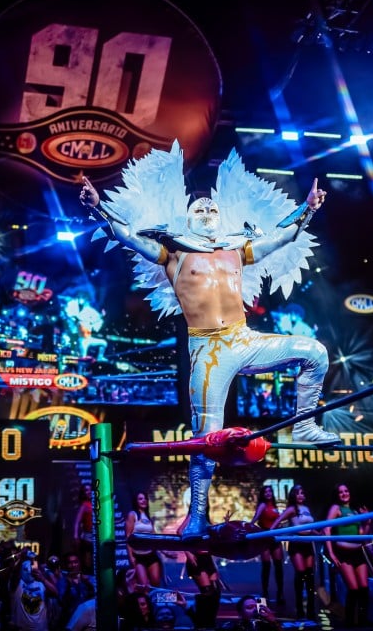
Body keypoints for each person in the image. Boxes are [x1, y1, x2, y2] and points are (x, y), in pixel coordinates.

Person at [80, 142, 341, 540]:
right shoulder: (172, 253)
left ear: (221, 218)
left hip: (243, 338)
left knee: (315, 352)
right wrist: (97, 205)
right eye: (199, 210)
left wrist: (309, 208)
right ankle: (197, 515)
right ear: (187, 218)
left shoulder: (239, 250)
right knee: (207, 438)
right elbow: (128, 235)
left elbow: (284, 238)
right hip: (208, 351)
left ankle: (304, 426)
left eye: (212, 210)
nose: (206, 214)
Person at [323, 484, 372, 627]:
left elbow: (362, 535)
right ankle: (350, 623)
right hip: (343, 553)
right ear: (337, 495)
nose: (344, 494)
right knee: (354, 589)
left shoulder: (355, 511)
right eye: (340, 492)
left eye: (346, 491)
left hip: (357, 551)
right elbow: (327, 529)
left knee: (364, 588)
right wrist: (331, 553)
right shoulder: (336, 508)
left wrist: (367, 521)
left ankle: (363, 621)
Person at [269, 484, 319, 621]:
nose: (301, 495)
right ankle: (299, 610)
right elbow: (278, 521)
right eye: (298, 493)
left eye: (302, 493)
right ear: (293, 495)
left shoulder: (307, 509)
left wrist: (321, 534)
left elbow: (310, 528)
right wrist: (270, 533)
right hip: (297, 544)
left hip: (308, 543)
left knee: (309, 576)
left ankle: (310, 610)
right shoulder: (292, 509)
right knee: (301, 574)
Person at [250, 483, 286, 606]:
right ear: (263, 494)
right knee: (266, 566)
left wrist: (281, 526)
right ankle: (265, 593)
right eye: (266, 492)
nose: (268, 494)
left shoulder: (275, 507)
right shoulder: (262, 505)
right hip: (264, 537)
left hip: (275, 537)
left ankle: (280, 593)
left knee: (278, 566)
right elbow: (255, 518)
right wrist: (248, 528)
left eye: (270, 491)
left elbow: (277, 521)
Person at [124, 490, 164, 589]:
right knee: (144, 586)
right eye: (140, 499)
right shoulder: (132, 515)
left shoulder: (149, 517)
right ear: (136, 501)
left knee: (156, 583)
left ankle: (154, 603)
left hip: (151, 555)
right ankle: (141, 602)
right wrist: (131, 556)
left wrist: (166, 552)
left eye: (145, 498)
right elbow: (128, 537)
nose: (144, 501)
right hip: (138, 557)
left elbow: (155, 539)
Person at [64, 293, 108, 362]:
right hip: (82, 341)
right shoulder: (76, 316)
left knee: (104, 343)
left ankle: (100, 357)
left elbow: (96, 320)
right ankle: (80, 369)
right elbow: (69, 315)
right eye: (80, 298)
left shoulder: (89, 313)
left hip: (89, 339)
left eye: (83, 299)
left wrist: (101, 316)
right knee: (83, 357)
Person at [219, 594, 283, 631]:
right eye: (250, 607)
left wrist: (273, 621)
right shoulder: (233, 628)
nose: (255, 609)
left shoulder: (265, 625)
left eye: (256, 607)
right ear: (241, 613)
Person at [73, 484, 95, 573]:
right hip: (88, 537)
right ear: (83, 493)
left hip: (97, 536)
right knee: (87, 561)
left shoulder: (96, 504)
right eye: (86, 490)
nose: (89, 492)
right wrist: (75, 535)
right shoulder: (84, 505)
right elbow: (77, 522)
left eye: (90, 490)